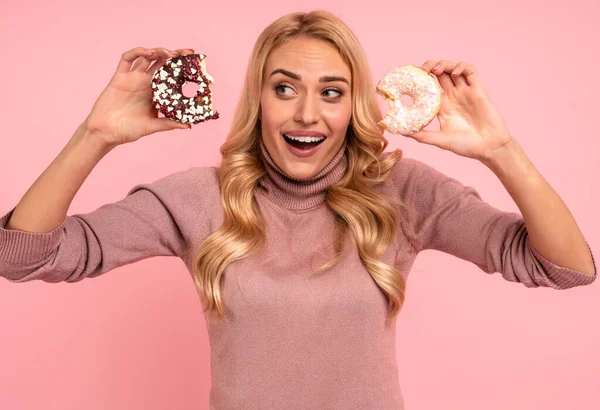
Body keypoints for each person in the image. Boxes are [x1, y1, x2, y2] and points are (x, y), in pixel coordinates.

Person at [0, 9, 596, 409]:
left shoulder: (404, 192)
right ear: (258, 98)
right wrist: (96, 134)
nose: (306, 114)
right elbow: (23, 257)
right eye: (284, 88)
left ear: (353, 104)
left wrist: (501, 151)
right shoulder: (195, 199)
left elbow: (565, 268)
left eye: (331, 93)